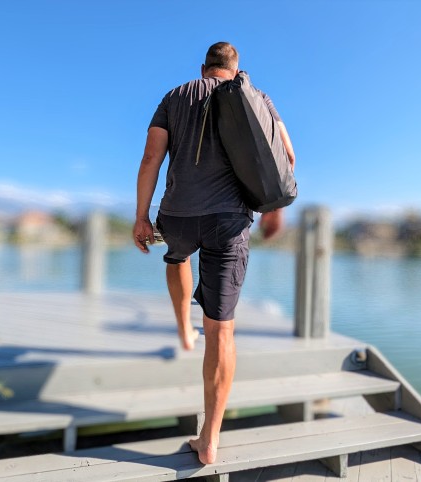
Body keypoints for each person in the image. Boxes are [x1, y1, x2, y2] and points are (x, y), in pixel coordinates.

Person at [132, 42, 295, 465]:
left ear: (204, 68)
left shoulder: (176, 94)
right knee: (222, 331)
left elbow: (152, 156)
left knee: (177, 257)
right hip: (230, 220)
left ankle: (183, 329)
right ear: (236, 69)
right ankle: (210, 440)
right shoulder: (258, 98)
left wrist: (141, 216)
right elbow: (287, 156)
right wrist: (274, 211)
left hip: (179, 213)